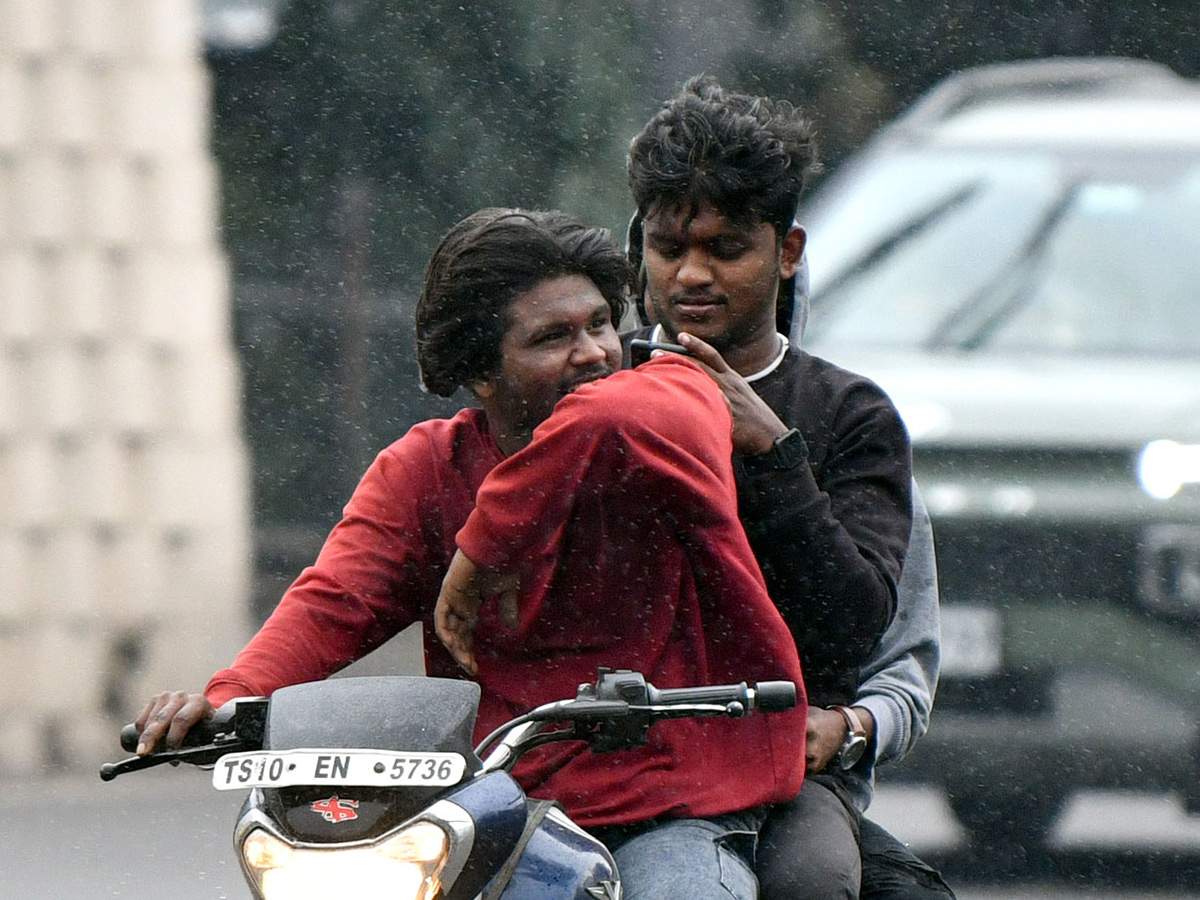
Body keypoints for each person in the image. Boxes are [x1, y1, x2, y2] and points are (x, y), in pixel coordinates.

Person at [134, 207, 807, 900]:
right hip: (494, 806)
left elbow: (612, 416)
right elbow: (335, 601)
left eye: (601, 323)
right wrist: (230, 698)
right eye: (552, 337)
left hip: (674, 810)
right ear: (480, 372)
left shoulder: (672, 396)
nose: (595, 352)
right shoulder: (425, 469)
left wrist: (484, 549)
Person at [624, 75, 956, 900]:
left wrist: (773, 456)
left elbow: (853, 629)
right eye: (669, 248)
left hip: (785, 772)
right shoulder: (597, 391)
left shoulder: (849, 416)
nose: (692, 275)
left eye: (726, 248)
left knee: (814, 884)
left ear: (789, 250)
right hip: (618, 754)